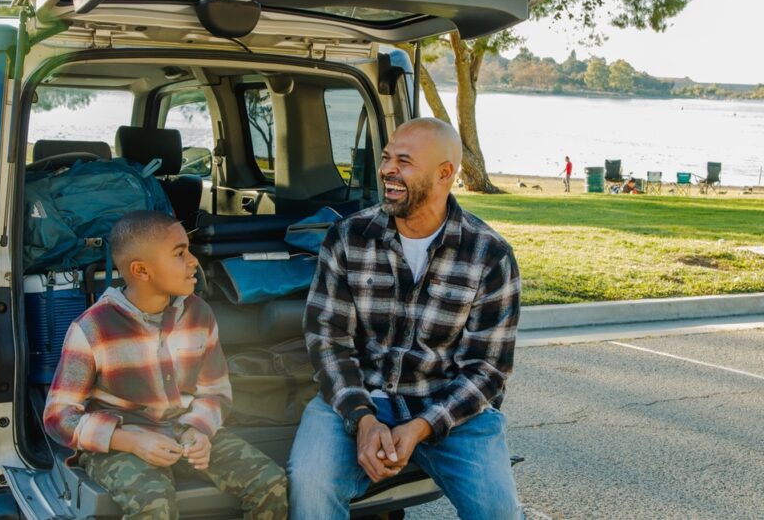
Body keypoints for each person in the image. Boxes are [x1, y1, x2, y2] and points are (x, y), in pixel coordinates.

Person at [288, 118, 522, 519]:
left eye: (404, 161)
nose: (387, 171)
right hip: (359, 398)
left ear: (444, 173)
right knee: (309, 484)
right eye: (385, 158)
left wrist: (420, 427)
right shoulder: (347, 237)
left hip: (448, 408)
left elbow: (488, 370)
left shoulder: (490, 255)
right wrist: (363, 418)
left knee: (499, 512)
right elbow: (328, 340)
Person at [43, 210, 287, 520]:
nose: (194, 261)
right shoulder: (91, 329)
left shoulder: (199, 314)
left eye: (190, 250)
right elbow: (58, 416)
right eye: (180, 253)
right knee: (154, 506)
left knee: (271, 483)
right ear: (141, 271)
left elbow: (216, 391)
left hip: (183, 431)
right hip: (121, 442)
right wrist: (128, 439)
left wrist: (199, 430)